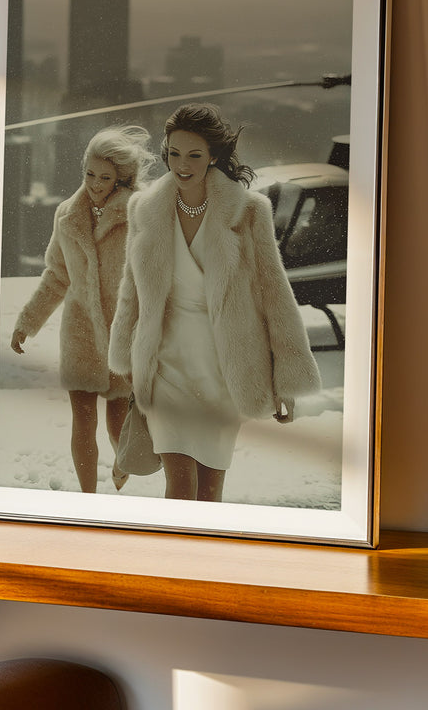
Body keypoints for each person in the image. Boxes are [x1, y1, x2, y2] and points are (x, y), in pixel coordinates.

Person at [108, 104, 320, 502]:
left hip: (226, 369)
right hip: (167, 366)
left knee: (209, 491)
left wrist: (286, 379)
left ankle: (203, 561)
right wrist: (124, 355)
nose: (181, 165)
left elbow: (275, 294)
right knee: (179, 484)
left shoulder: (250, 211)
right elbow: (131, 290)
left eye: (194, 155)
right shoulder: (144, 210)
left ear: (215, 157)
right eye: (173, 153)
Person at [11, 125, 155, 493]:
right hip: (79, 332)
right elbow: (57, 275)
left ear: (121, 178)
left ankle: (123, 466)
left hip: (123, 331)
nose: (94, 183)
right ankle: (87, 497)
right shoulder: (66, 215)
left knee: (118, 420)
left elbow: (152, 276)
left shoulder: (138, 214)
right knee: (83, 418)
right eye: (89, 174)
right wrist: (28, 322)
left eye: (104, 177)